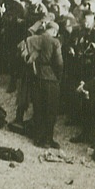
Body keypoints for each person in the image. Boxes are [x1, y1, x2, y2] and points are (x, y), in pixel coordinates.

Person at [24, 20, 64, 148]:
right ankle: (48, 139)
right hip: (50, 79)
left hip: (36, 76)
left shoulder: (33, 39)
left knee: (38, 108)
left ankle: (38, 138)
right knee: (51, 110)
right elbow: (59, 63)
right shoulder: (55, 42)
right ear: (54, 31)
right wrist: (58, 77)